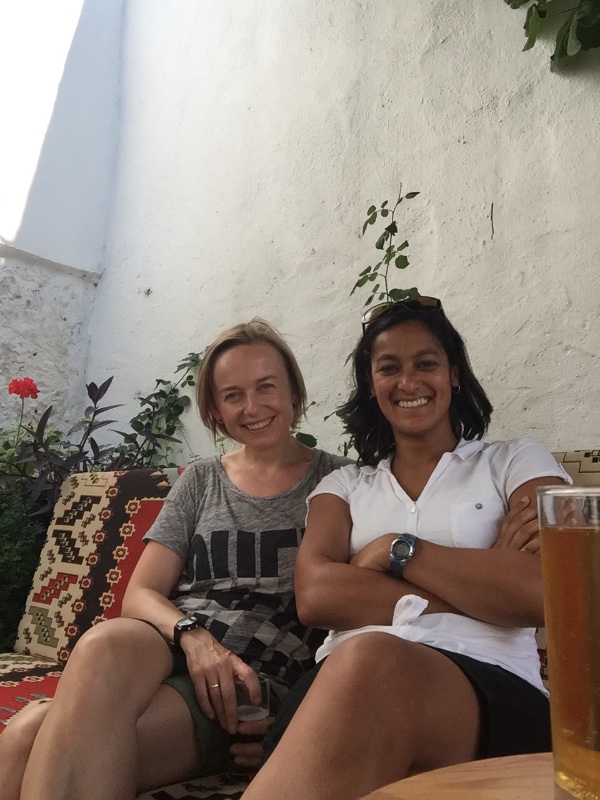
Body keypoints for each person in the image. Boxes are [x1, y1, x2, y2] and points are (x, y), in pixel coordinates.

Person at [0, 318, 349, 800]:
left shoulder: (341, 483)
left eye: (266, 386)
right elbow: (140, 595)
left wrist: (297, 720)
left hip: (243, 682)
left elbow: (362, 612)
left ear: (293, 389)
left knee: (27, 737)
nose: (252, 407)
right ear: (216, 409)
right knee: (101, 645)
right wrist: (194, 637)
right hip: (174, 642)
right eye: (233, 395)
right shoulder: (201, 480)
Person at [241, 297, 570, 800]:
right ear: (372, 385)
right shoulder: (343, 486)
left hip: (491, 690)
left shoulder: (515, 462)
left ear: (454, 374)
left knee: (371, 658)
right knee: (365, 664)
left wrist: (398, 552)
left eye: (426, 363)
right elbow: (316, 596)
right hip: (339, 686)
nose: (408, 382)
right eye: (389, 368)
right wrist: (487, 586)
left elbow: (550, 592)